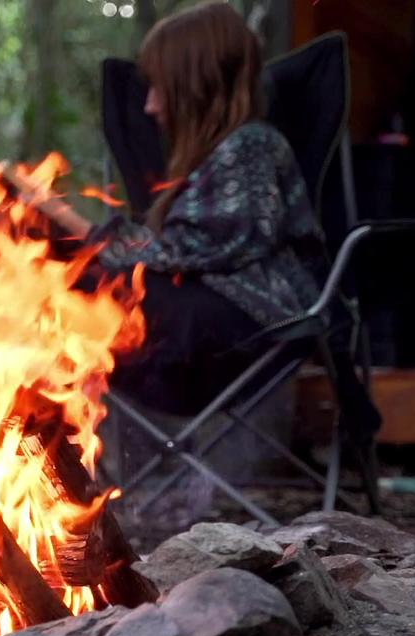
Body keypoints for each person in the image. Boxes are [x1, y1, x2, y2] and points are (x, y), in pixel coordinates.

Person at [87, 1, 328, 415]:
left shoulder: (250, 147)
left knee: (65, 283)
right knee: (54, 278)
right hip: (207, 330)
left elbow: (196, 246)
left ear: (193, 86)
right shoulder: (219, 157)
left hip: (250, 332)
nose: (149, 106)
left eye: (159, 87)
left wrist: (93, 246)